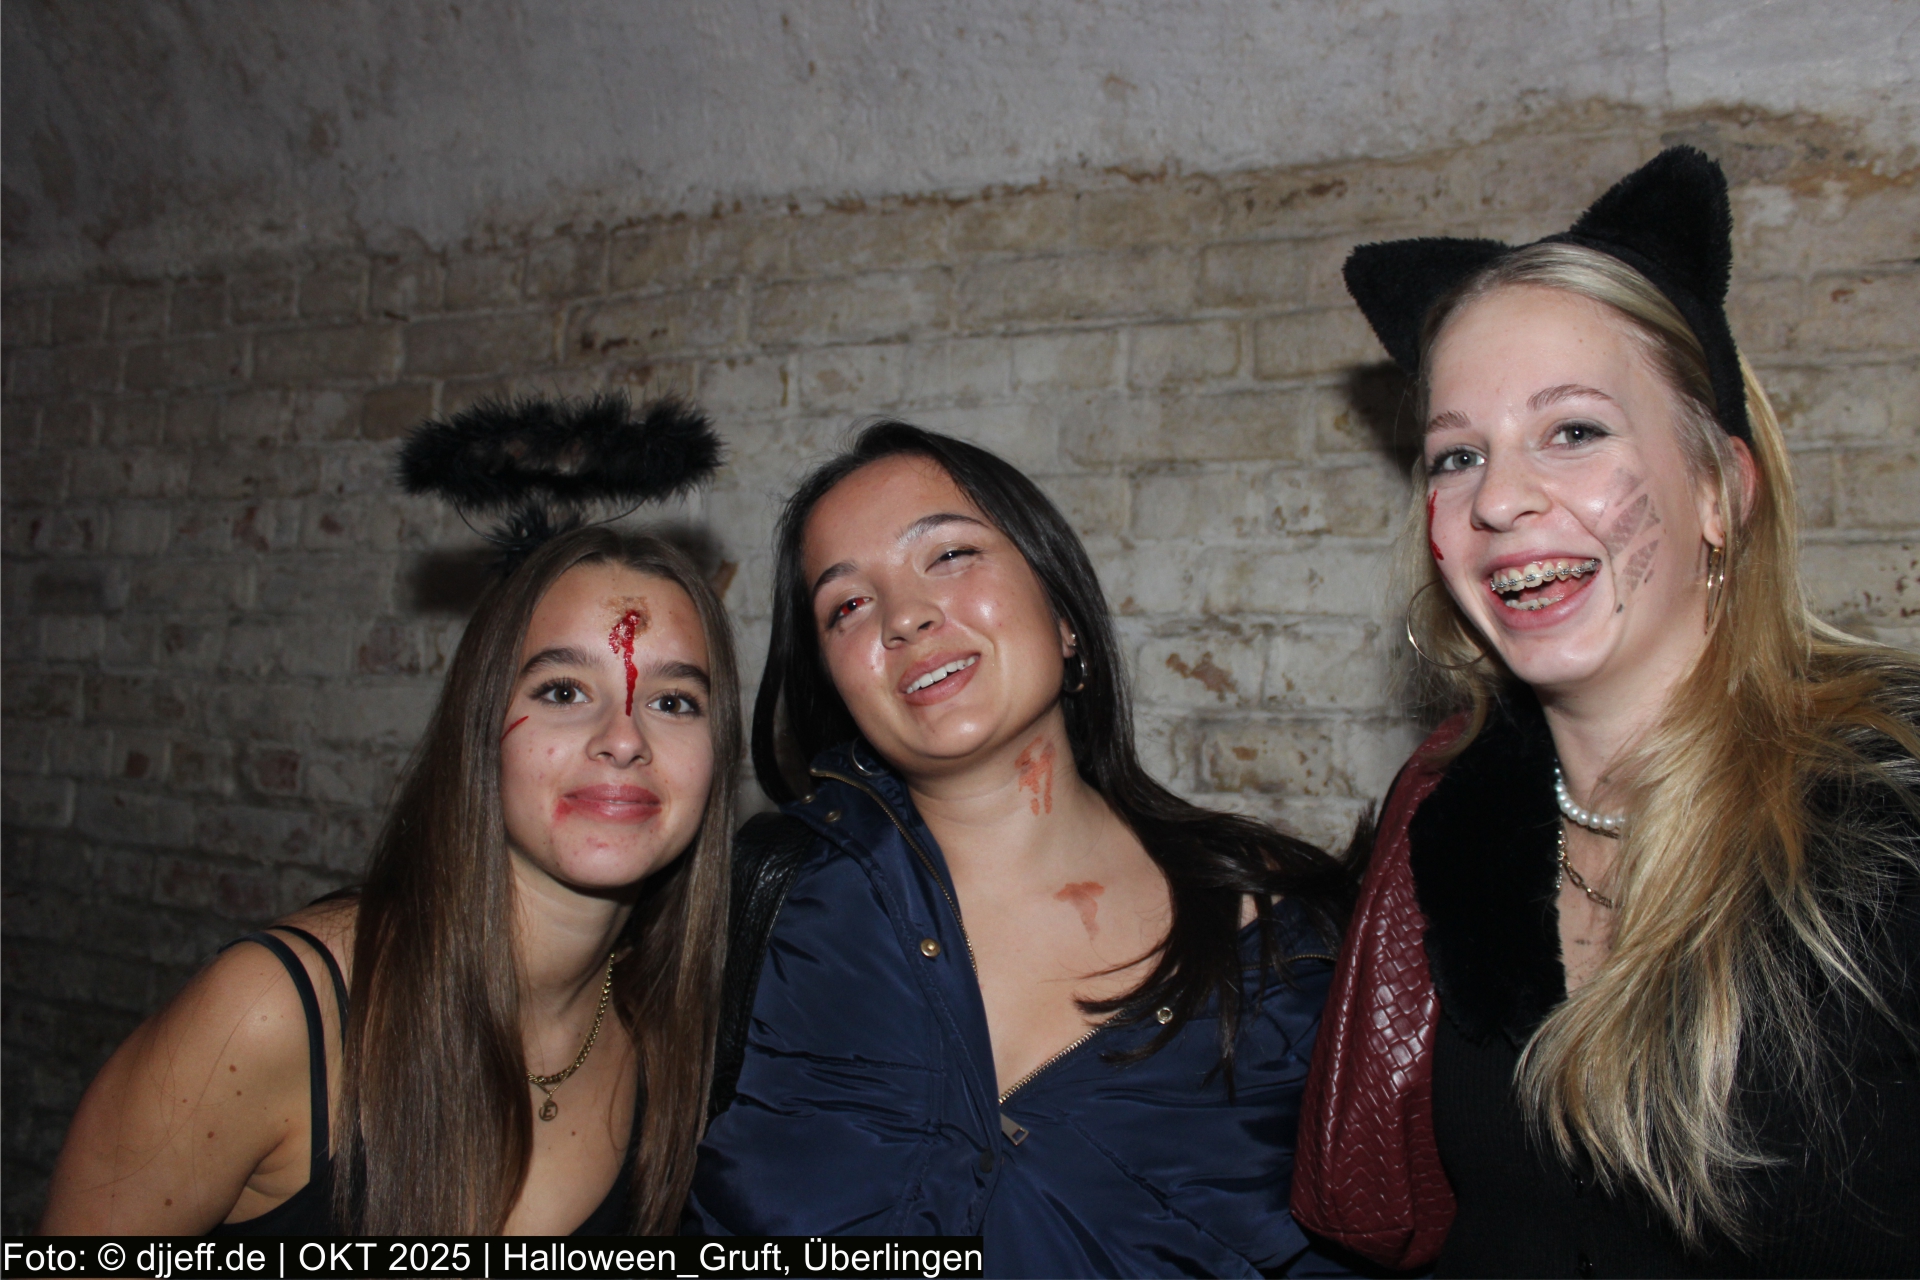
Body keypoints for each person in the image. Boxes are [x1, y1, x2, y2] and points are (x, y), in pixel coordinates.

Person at [1292, 147, 1920, 1275]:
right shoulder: (1453, 819)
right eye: (1457, 454)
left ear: (1720, 488)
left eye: (1574, 431)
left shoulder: (1888, 806)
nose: (1497, 497)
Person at [687, 423, 1355, 1277]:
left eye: (950, 555)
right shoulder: (764, 906)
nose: (904, 617)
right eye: (847, 605)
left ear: (1065, 616)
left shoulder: (1292, 943)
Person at [41, 527, 740, 1234]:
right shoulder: (275, 1016)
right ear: (480, 725)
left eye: (675, 702)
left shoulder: (672, 1029)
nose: (624, 739)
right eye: (563, 690)